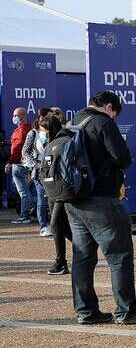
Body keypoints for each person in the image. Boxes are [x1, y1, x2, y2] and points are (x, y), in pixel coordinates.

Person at [66, 91, 136, 325]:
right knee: (119, 256)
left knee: (82, 258)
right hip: (101, 200)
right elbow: (122, 157)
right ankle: (127, 310)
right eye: (115, 113)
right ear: (109, 107)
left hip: (74, 200)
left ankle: (86, 311)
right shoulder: (103, 123)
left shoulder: (72, 122)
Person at [36, 115, 71, 275]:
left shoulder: (59, 143)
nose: (40, 133)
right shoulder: (55, 142)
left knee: (56, 224)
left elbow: (50, 166)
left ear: (49, 130)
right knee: (61, 226)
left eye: (42, 130)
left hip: (59, 189)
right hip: (55, 189)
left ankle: (61, 262)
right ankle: (82, 251)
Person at [21, 107, 53, 236]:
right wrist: (35, 164)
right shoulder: (33, 133)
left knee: (54, 198)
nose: (51, 119)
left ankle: (56, 224)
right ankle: (43, 226)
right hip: (39, 172)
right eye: (49, 116)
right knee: (41, 198)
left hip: (53, 170)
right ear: (41, 117)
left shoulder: (54, 131)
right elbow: (25, 151)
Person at [5, 107, 33, 225]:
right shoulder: (23, 129)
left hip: (19, 164)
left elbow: (18, 149)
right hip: (23, 164)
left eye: (15, 115)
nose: (13, 118)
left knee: (24, 192)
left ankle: (25, 216)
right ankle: (27, 213)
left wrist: (10, 162)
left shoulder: (23, 131)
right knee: (26, 191)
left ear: (21, 117)